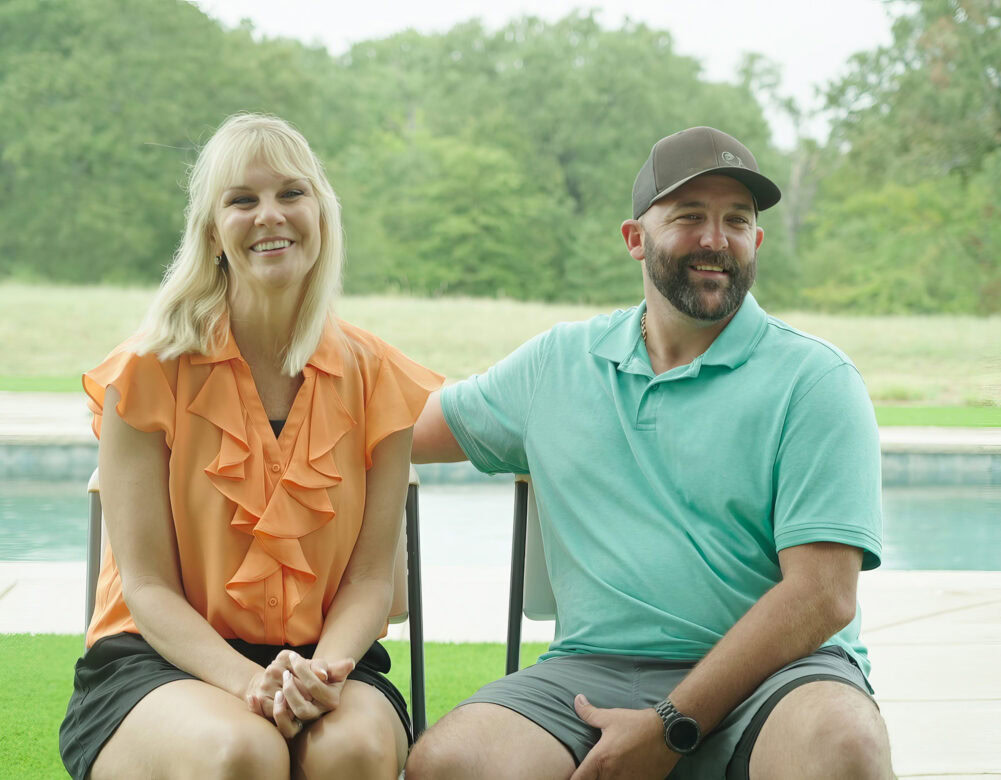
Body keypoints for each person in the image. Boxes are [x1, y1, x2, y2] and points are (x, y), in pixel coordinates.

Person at [407, 126, 895, 779]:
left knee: (844, 747)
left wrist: (672, 723)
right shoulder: (558, 363)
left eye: (737, 221)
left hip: (781, 681)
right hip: (592, 673)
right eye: (689, 216)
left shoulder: (816, 381)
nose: (715, 239)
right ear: (635, 239)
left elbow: (822, 597)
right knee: (451, 762)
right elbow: (403, 423)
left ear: (757, 240)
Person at [59, 113, 442, 780]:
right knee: (243, 751)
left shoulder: (381, 377)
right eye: (242, 199)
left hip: (330, 658)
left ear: (322, 214)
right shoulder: (146, 371)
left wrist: (323, 671)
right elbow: (147, 589)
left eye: (292, 193)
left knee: (353, 750)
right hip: (158, 662)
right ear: (211, 230)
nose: (271, 215)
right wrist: (246, 682)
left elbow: (373, 582)